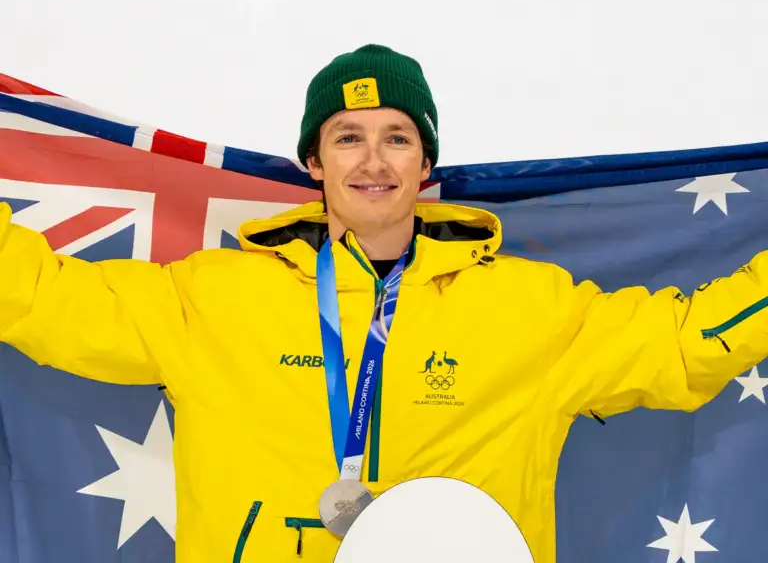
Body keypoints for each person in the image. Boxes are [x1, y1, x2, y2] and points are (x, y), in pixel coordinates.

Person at [0, 43, 766, 563]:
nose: (373, 160)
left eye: (397, 137)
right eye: (347, 137)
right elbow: (39, 300)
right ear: (313, 160)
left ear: (425, 160)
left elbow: (686, 343)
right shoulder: (214, 295)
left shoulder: (530, 309)